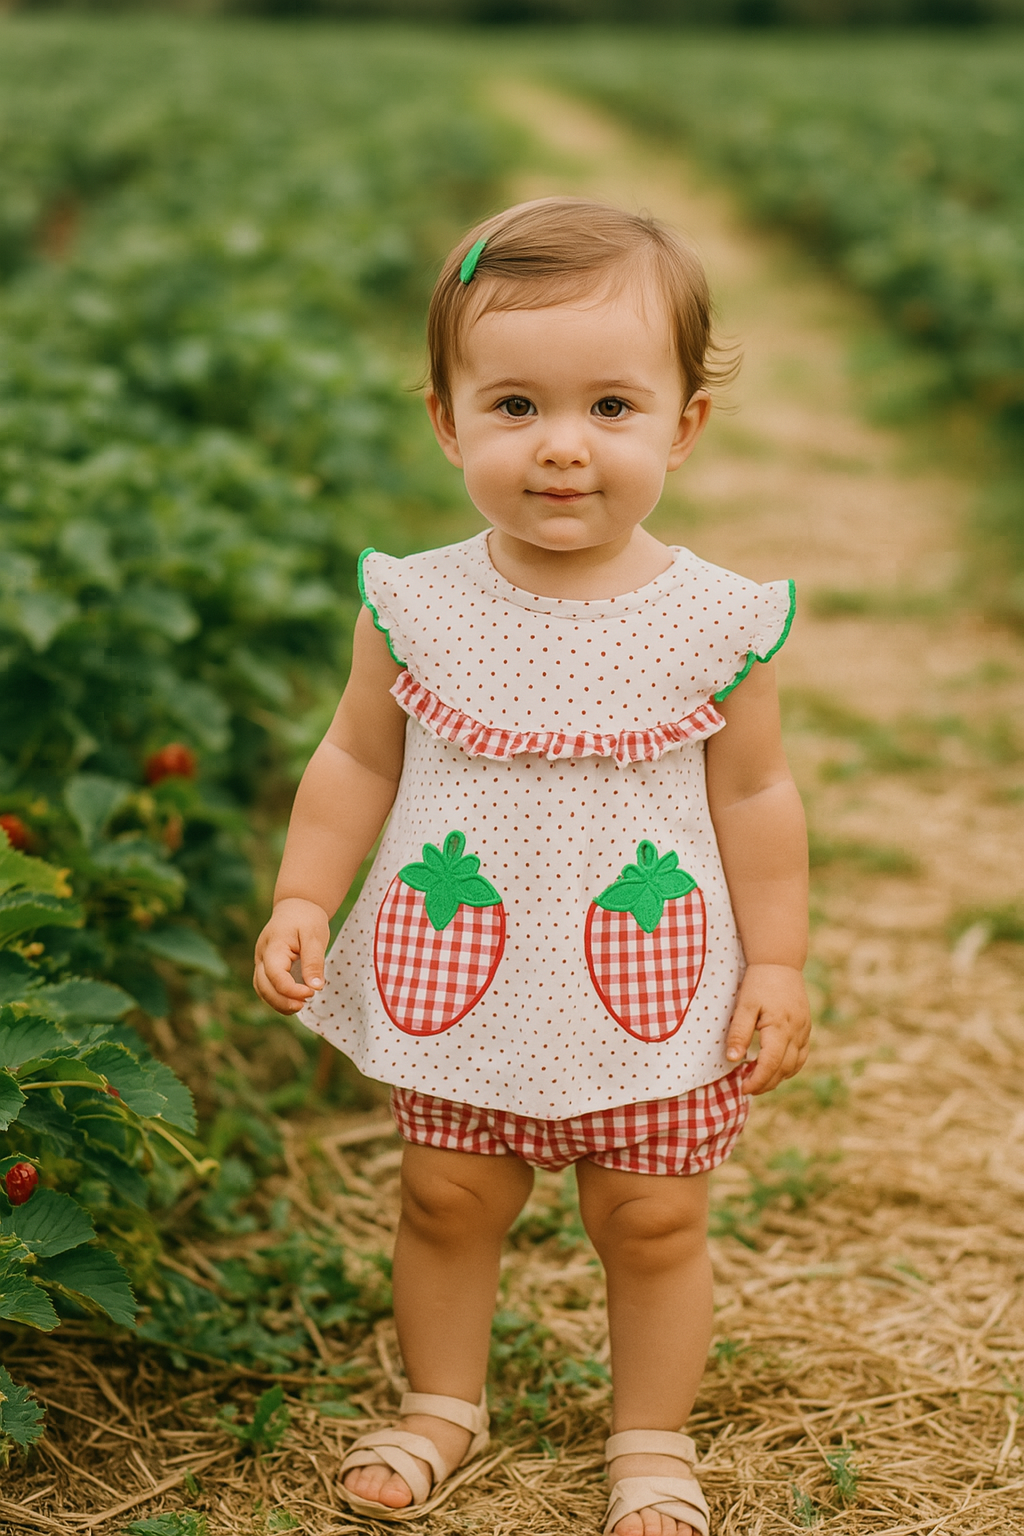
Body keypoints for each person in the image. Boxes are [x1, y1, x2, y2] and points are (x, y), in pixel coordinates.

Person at [253, 197, 811, 1536]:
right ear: (448, 423)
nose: (562, 446)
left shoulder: (718, 622)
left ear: (684, 424)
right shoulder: (416, 604)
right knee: (446, 1199)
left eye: (611, 407)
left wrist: (780, 961)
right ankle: (443, 1403)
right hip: (468, 976)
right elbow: (357, 760)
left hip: (653, 986)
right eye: (514, 406)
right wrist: (303, 892)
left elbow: (756, 795)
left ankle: (651, 1439)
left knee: (653, 1221)